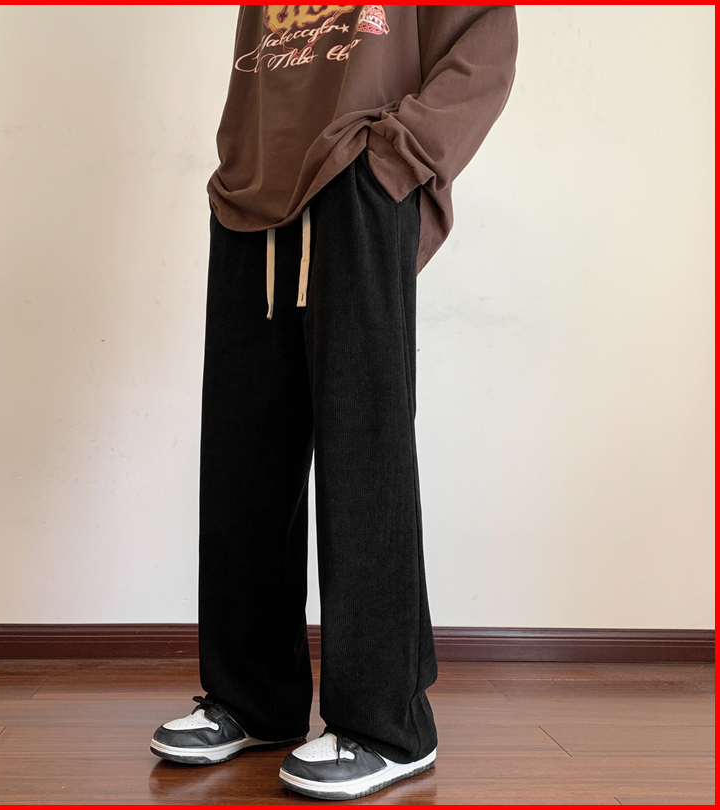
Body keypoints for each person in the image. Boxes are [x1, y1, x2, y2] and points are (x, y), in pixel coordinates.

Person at [150, 4, 518, 801]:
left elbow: (485, 42)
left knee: (364, 448)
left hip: (358, 178)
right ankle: (253, 697)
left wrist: (394, 159)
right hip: (252, 194)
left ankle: (388, 725)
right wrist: (238, 156)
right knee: (245, 454)